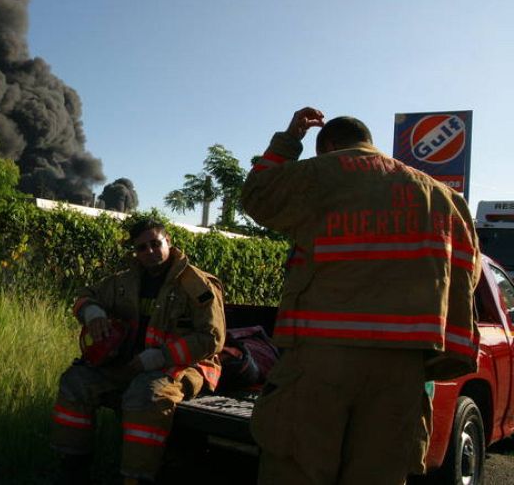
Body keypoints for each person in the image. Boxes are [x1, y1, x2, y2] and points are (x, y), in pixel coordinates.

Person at [241, 107, 482, 485]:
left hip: (322, 359)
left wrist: (288, 140)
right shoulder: (444, 197)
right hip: (401, 370)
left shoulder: (324, 173)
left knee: (297, 468)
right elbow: (468, 275)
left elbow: (257, 196)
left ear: (331, 147)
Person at [50, 216, 226, 484]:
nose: (150, 252)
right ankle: (72, 469)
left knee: (145, 396)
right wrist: (93, 312)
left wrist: (157, 357)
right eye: (141, 248)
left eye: (155, 244)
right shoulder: (125, 281)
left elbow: (211, 338)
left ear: (168, 241)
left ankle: (135, 478)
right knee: (76, 382)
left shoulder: (195, 285)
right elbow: (85, 295)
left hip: (183, 366)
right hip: (128, 365)